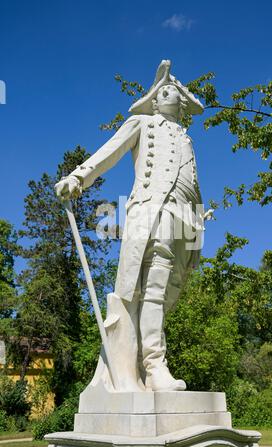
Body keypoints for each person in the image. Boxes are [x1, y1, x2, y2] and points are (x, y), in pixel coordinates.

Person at [55, 60, 210, 392]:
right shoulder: (142, 123)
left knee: (167, 291)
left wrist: (198, 227)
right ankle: (155, 366)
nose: (175, 97)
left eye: (178, 94)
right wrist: (79, 175)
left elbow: (194, 185)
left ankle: (148, 363)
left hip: (184, 215)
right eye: (167, 91)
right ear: (154, 100)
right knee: (151, 286)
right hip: (153, 208)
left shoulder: (187, 139)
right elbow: (110, 151)